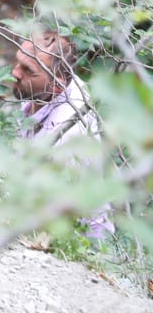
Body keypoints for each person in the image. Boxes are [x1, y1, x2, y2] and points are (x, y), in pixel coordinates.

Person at [10, 31, 113, 240]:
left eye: (27, 70)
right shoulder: (42, 87)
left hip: (81, 242)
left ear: (56, 84)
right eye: (17, 62)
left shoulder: (70, 133)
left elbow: (59, 218)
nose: (15, 73)